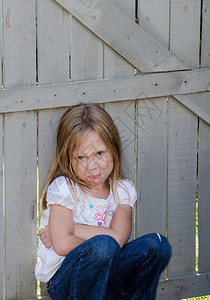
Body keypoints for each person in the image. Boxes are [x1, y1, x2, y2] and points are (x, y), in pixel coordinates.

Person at [35, 103, 171, 300]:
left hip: (107, 274)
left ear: (113, 149)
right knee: (103, 247)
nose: (92, 166)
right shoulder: (64, 188)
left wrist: (72, 227)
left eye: (99, 153)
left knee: (156, 246)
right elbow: (63, 245)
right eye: (81, 157)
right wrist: (70, 235)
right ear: (67, 158)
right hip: (66, 280)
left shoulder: (122, 191)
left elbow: (118, 240)